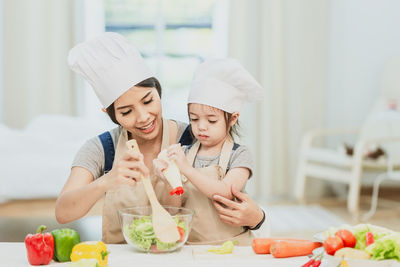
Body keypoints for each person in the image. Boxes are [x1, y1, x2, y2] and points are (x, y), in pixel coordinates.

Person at [55, 32, 265, 244]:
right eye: (127, 112)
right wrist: (107, 181)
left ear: (158, 91)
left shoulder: (196, 139)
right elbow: (63, 212)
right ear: (110, 114)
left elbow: (231, 197)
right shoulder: (102, 149)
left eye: (148, 101)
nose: (143, 117)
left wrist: (257, 217)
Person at [154, 58, 264, 245]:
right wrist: (168, 181)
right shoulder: (185, 153)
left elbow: (225, 192)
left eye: (211, 120)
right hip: (191, 246)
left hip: (233, 245)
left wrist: (186, 169)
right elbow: (174, 211)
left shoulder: (239, 155)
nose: (201, 127)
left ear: (233, 118)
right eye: (194, 119)